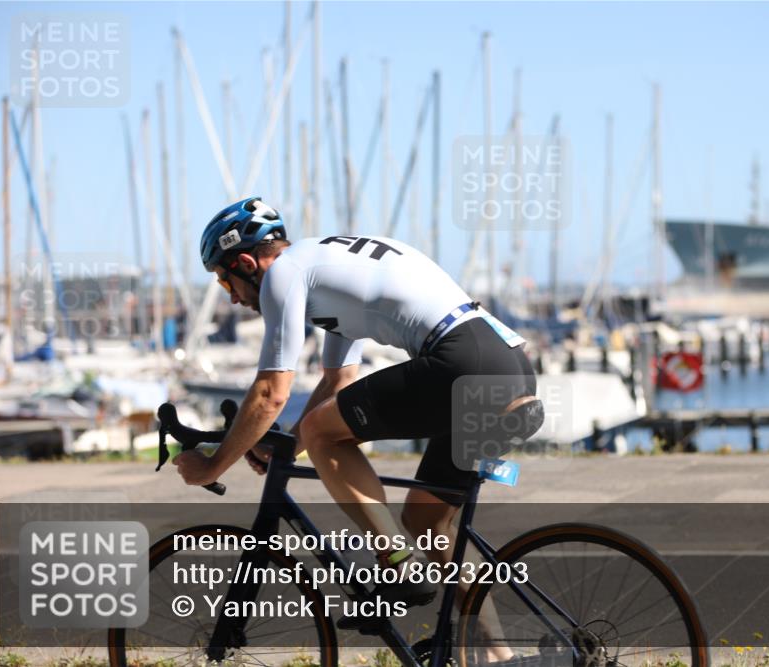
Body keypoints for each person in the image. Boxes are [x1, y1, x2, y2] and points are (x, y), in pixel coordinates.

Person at [175, 197, 536, 658]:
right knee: (427, 524)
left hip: (463, 362)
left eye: (225, 280)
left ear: (246, 262)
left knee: (325, 432)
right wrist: (287, 446)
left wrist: (211, 467)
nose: (230, 296)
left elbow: (271, 394)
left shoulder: (284, 275)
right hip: (507, 364)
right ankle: (501, 655)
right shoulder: (325, 265)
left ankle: (396, 563)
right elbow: (340, 380)